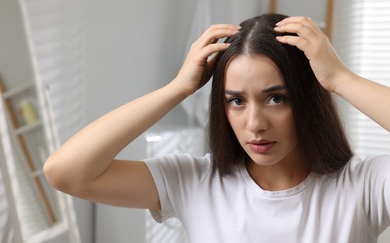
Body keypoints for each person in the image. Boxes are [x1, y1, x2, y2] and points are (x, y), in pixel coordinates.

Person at [43, 14, 390, 243]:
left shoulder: (364, 186)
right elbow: (66, 172)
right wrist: (177, 89)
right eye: (236, 101)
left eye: (276, 99)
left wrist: (340, 79)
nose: (255, 124)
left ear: (306, 100)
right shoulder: (194, 181)